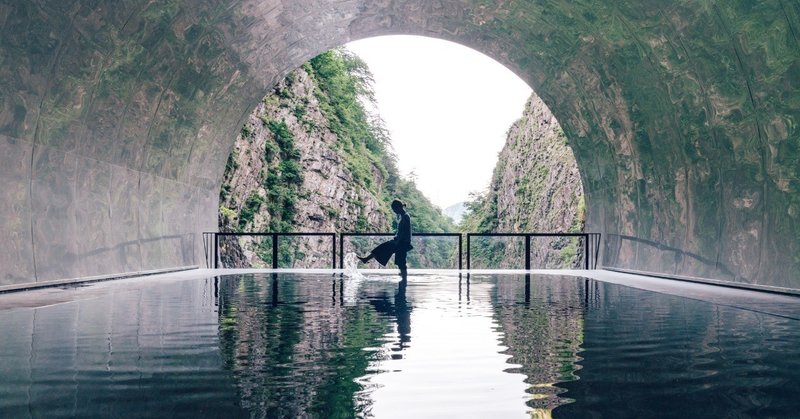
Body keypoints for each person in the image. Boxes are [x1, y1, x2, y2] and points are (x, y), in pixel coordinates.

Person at [358, 199, 413, 277]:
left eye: (394, 209)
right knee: (398, 259)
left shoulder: (405, 217)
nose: (394, 211)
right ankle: (366, 259)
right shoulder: (403, 216)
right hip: (400, 241)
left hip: (402, 242)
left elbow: (405, 231)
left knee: (401, 262)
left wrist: (398, 241)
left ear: (398, 207)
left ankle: (404, 278)